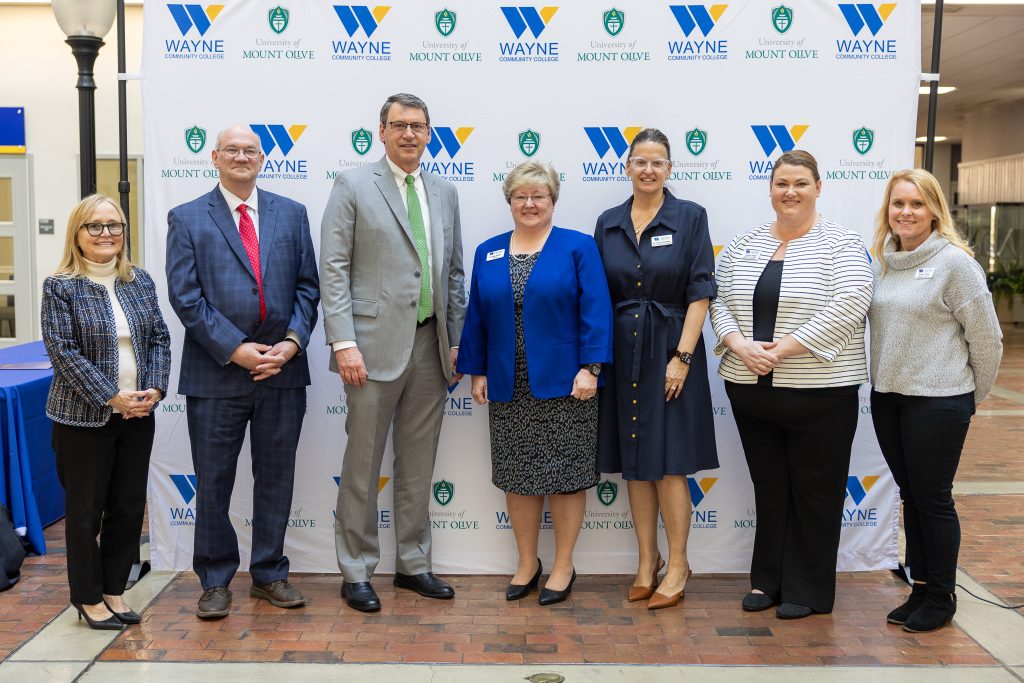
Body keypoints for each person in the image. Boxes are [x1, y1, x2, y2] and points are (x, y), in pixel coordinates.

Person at [710, 150, 873, 620]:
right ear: (770, 189)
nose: (791, 192)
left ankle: (809, 589)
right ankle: (768, 581)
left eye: (801, 183)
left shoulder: (842, 244)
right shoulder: (744, 244)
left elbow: (850, 303)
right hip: (750, 388)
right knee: (771, 487)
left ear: (819, 187)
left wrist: (779, 351)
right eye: (782, 183)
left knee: (816, 491)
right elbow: (716, 299)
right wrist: (740, 344)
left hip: (821, 394)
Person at [166, 124, 320, 619]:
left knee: (276, 478)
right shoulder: (188, 217)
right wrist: (236, 349)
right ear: (214, 157)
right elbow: (186, 298)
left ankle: (270, 574)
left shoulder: (291, 214)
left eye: (250, 150)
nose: (241, 156)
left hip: (282, 372)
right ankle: (214, 580)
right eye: (231, 149)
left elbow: (307, 289)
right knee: (213, 482)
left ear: (261, 158)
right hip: (216, 374)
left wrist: (291, 345)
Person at [320, 93, 467, 613]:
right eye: (399, 125)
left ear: (430, 134)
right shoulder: (353, 184)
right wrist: (343, 342)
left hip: (431, 345)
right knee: (361, 463)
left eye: (419, 126)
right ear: (380, 131)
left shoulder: (445, 192)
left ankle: (413, 563)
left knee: (418, 463)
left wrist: (456, 342)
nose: (410, 134)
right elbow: (333, 267)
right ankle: (356, 570)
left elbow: (453, 274)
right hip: (369, 347)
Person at [459, 161, 613, 606]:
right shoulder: (488, 250)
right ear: (509, 201)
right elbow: (477, 316)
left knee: (566, 478)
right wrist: (479, 370)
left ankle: (563, 564)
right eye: (520, 196)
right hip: (510, 385)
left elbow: (596, 311)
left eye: (538, 196)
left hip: (568, 386)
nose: (529, 204)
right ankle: (528, 563)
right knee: (518, 477)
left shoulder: (578, 247)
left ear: (553, 201)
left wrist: (592, 368)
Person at [868, 169, 1002, 633]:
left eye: (917, 204)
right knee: (911, 496)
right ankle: (920, 587)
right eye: (898, 203)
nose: (906, 212)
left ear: (935, 211)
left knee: (933, 498)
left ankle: (942, 597)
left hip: (938, 400)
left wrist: (966, 397)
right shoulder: (883, 260)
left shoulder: (955, 264)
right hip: (889, 397)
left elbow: (988, 341)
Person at [594, 129, 719, 610]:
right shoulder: (607, 222)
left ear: (670, 168)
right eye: (640, 161)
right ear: (626, 166)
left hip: (671, 350)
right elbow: (600, 293)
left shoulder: (690, 217)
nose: (649, 169)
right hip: (623, 352)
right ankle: (646, 563)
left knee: (669, 464)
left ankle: (680, 563)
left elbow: (700, 290)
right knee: (636, 465)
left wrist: (682, 358)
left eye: (658, 162)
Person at [42, 194, 171, 630]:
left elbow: (158, 339)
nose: (106, 234)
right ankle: (87, 598)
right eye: (94, 226)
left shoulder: (140, 281)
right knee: (84, 514)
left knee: (128, 507)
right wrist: (110, 396)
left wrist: (153, 389)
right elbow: (64, 352)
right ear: (77, 234)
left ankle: (114, 590)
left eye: (113, 225)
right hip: (83, 419)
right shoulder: (60, 286)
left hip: (138, 415)